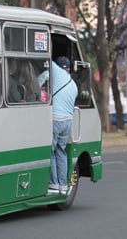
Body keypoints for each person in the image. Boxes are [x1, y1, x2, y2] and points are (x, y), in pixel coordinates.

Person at [48, 56, 78, 195]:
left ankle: (53, 184)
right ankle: (63, 185)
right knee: (61, 152)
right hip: (68, 122)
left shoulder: (57, 73)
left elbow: (47, 57)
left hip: (55, 120)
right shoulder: (73, 85)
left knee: (50, 151)